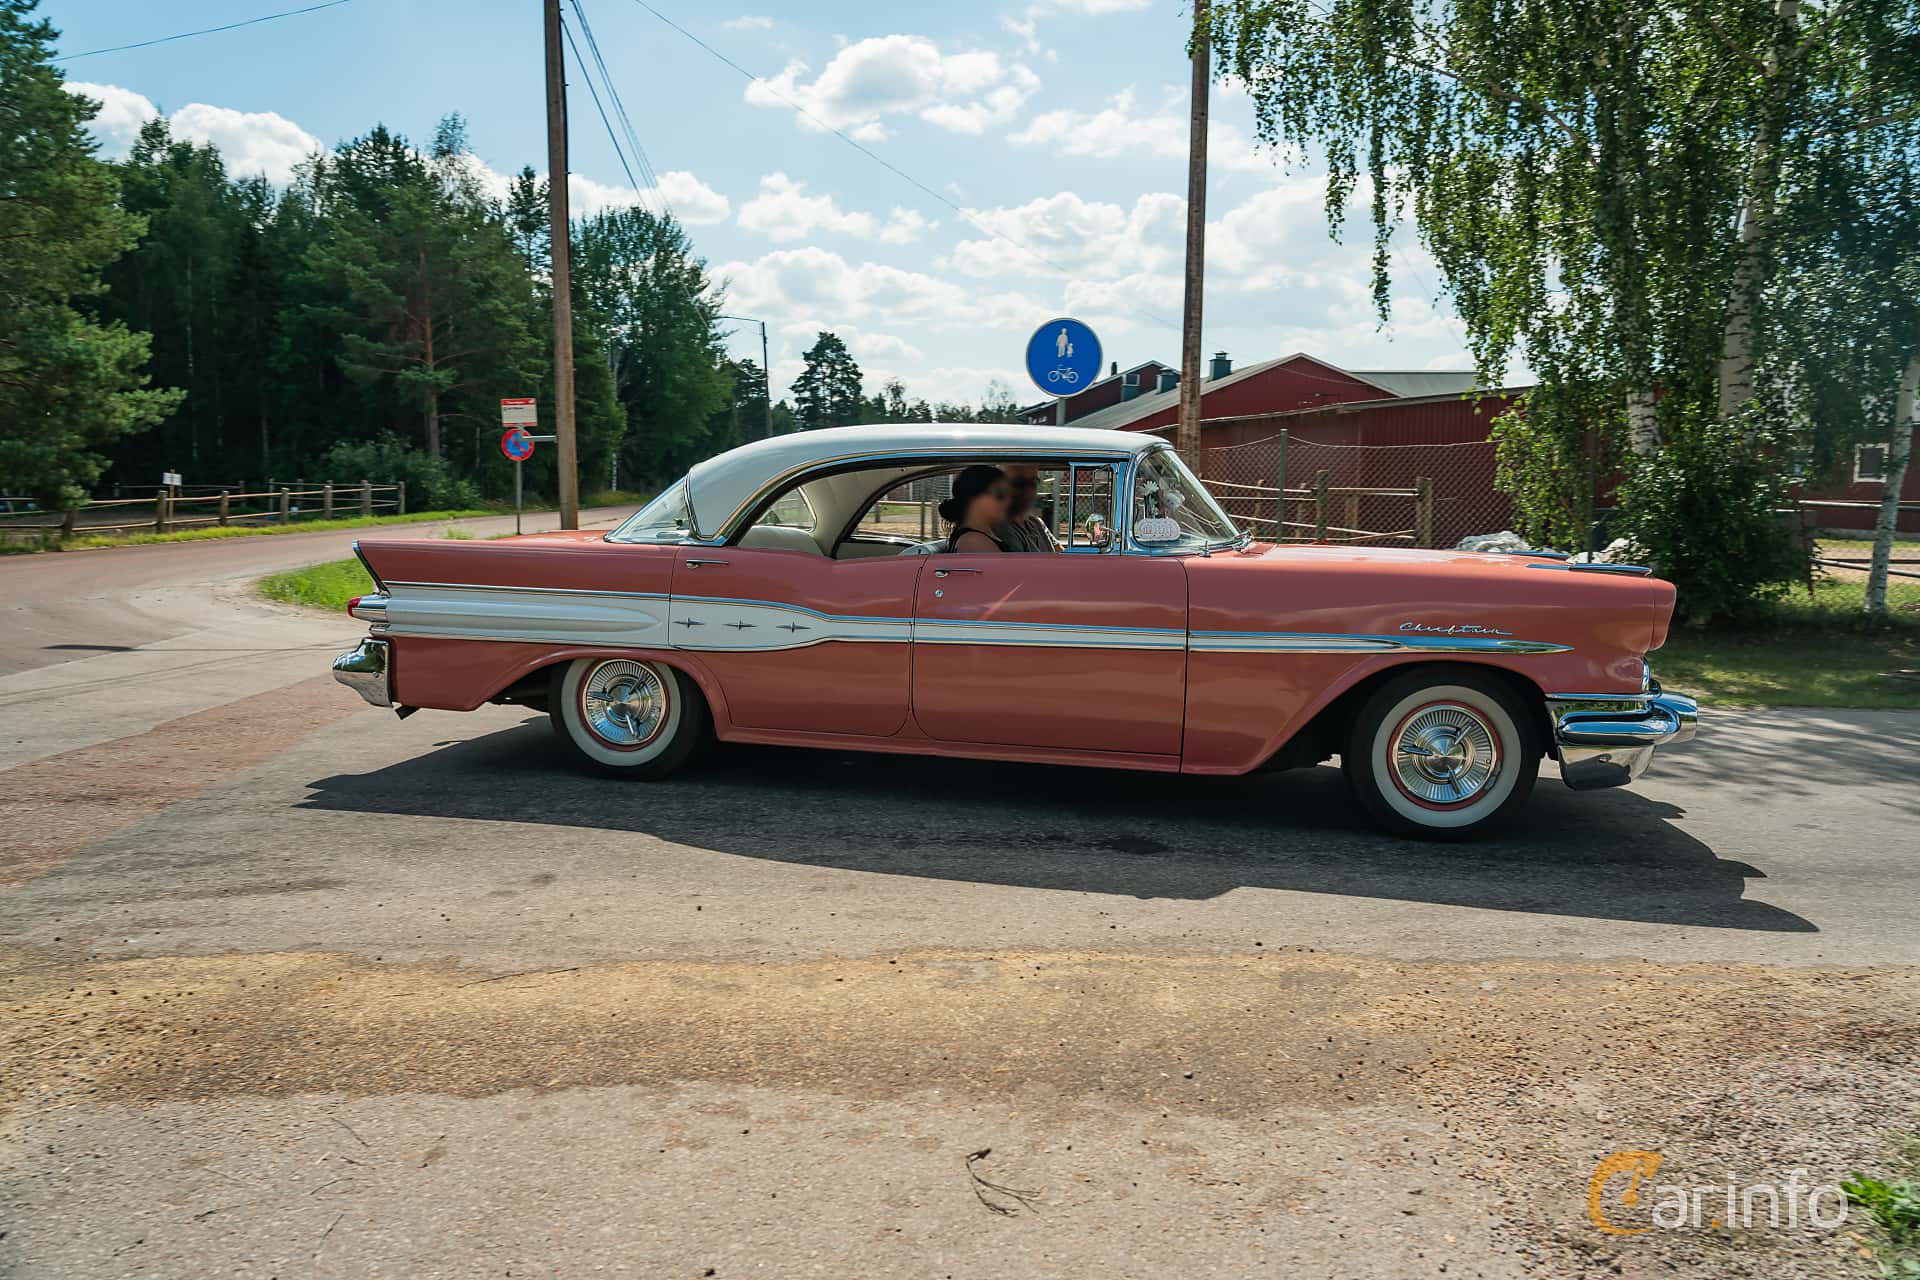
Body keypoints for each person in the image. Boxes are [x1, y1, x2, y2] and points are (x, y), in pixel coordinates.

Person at [939, 465, 1010, 553]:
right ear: (975, 498)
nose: (1008, 500)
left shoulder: (977, 536)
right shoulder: (974, 542)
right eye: (1000, 494)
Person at [993, 463, 1059, 553]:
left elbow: (1061, 552)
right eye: (1019, 483)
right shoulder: (1001, 529)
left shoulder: (1036, 522)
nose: (1028, 491)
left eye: (1033, 483)